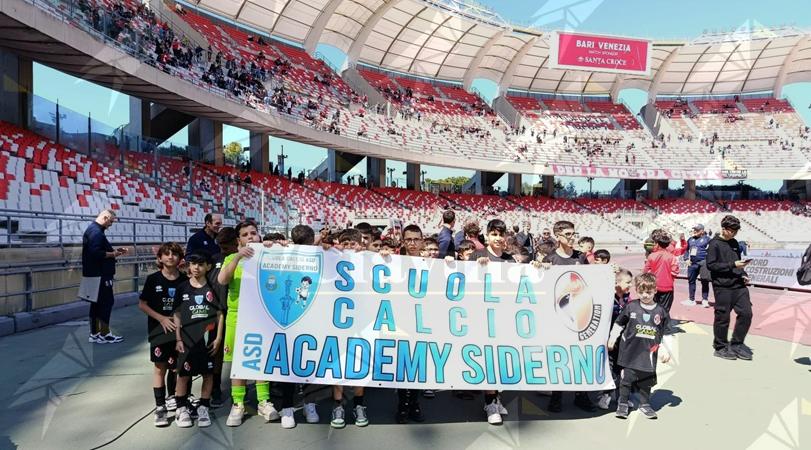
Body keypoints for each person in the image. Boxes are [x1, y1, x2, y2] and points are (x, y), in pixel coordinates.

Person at [218, 221, 290, 427]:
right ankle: (238, 403)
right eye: (245, 234)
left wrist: (283, 248)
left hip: (262, 316)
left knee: (261, 359)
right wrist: (239, 256)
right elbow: (222, 280)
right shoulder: (232, 258)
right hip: (237, 316)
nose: (250, 237)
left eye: (253, 233)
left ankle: (263, 401)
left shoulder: (269, 255)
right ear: (238, 240)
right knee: (239, 363)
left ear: (259, 236)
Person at [542, 220, 593, 413]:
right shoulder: (550, 259)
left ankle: (582, 395)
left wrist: (608, 273)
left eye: (574, 234)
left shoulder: (581, 257)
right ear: (558, 236)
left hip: (579, 314)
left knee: (580, 356)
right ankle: (557, 396)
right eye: (568, 234)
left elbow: (592, 281)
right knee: (560, 357)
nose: (573, 238)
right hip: (558, 316)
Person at [608, 272, 672, 420]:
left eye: (648, 292)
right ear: (637, 290)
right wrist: (612, 338)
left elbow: (666, 332)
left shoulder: (661, 311)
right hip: (630, 351)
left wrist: (666, 350)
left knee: (646, 381)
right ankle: (622, 402)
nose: (645, 295)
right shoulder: (631, 307)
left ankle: (645, 404)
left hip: (649, 354)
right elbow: (619, 323)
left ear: (655, 290)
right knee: (626, 378)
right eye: (641, 291)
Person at [138, 242, 188, 427]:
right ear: (160, 258)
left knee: (178, 367)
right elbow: (142, 304)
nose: (170, 257)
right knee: (160, 367)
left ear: (180, 258)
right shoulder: (153, 279)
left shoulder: (184, 280)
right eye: (166, 254)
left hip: (179, 331)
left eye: (174, 254)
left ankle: (177, 399)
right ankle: (160, 408)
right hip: (159, 330)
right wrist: (162, 319)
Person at [172, 252, 224, 428]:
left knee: (208, 374)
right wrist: (178, 338)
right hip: (186, 339)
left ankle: (203, 407)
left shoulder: (212, 288)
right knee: (184, 375)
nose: (196, 267)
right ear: (188, 266)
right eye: (193, 264)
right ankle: (181, 408)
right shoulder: (182, 288)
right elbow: (177, 314)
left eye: (201, 264)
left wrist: (218, 337)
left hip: (207, 339)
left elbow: (219, 314)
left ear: (208, 267)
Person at [706, 215, 753, 361]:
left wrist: (743, 272)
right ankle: (720, 347)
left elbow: (737, 262)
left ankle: (737, 344)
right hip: (722, 286)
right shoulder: (714, 244)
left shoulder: (734, 243)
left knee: (746, 313)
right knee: (723, 317)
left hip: (738, 284)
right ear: (723, 228)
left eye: (736, 231)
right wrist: (732, 266)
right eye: (731, 231)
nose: (733, 233)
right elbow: (711, 265)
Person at [394, 224, 426, 423]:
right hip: (398, 319)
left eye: (416, 239)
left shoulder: (430, 264)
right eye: (409, 239)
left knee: (417, 365)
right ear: (403, 241)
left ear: (422, 241)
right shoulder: (393, 262)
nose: (413, 243)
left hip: (421, 320)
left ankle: (414, 403)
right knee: (402, 365)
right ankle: (402, 405)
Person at [83, 209, 127, 344]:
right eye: (111, 221)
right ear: (106, 218)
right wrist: (113, 254)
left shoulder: (92, 230)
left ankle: (95, 333)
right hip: (100, 275)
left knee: (95, 304)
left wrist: (114, 252)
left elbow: (96, 251)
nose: (111, 224)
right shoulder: (96, 232)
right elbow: (96, 253)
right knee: (106, 303)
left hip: (92, 274)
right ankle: (105, 334)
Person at [208, 227, 239, 407]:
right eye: (220, 247)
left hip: (239, 312)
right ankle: (215, 388)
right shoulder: (214, 260)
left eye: (226, 247)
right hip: (218, 313)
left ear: (236, 243)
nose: (222, 251)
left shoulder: (246, 260)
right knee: (216, 351)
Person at [596, 268, 632, 410]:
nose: (630, 285)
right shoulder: (607, 296)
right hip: (608, 340)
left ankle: (621, 397)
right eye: (627, 282)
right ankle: (605, 396)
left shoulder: (626, 297)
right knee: (610, 369)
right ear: (617, 282)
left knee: (621, 368)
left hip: (622, 340)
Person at [643, 229, 680, 314]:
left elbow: (645, 271)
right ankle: (663, 325)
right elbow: (675, 272)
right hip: (668, 286)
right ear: (667, 245)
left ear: (658, 243)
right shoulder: (672, 257)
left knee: (652, 308)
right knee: (665, 310)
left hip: (654, 285)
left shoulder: (651, 256)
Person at [683, 224, 711, 307]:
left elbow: (713, 250)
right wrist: (686, 259)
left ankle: (705, 300)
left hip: (703, 262)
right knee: (691, 281)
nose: (694, 231)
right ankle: (691, 299)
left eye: (697, 230)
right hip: (692, 263)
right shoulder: (690, 239)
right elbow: (686, 250)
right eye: (694, 229)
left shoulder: (708, 239)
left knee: (705, 281)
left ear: (702, 231)